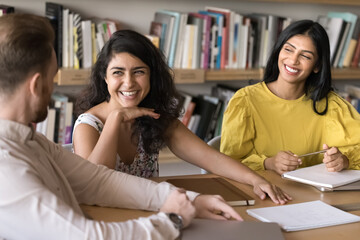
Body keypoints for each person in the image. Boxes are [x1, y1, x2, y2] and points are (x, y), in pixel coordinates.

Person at [0, 13, 243, 240]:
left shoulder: (32, 140)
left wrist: (189, 200)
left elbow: (97, 181)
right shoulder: (6, 168)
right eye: (53, 78)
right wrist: (173, 220)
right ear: (36, 85)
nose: (53, 89)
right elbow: (90, 236)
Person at [73, 29, 291, 204]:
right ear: (104, 77)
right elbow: (93, 186)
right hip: (104, 221)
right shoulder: (88, 126)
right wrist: (115, 119)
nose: (128, 82)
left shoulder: (153, 116)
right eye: (118, 72)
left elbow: (210, 158)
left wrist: (255, 179)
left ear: (152, 76)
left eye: (139, 71)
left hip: (148, 213)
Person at [221, 19, 360, 175]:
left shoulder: (331, 105)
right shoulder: (245, 101)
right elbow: (228, 163)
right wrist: (268, 163)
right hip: (262, 193)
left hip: (315, 195)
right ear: (278, 51)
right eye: (288, 49)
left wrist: (345, 160)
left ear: (317, 66)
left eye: (305, 56)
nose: (293, 60)